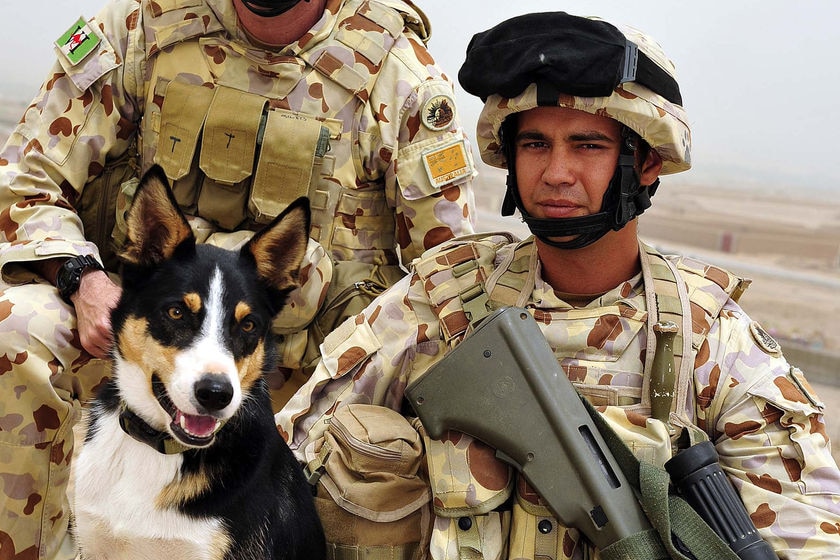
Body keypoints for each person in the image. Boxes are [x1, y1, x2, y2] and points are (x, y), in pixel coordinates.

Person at [278, 11, 840, 559]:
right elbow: (286, 453)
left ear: (645, 164)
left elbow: (807, 535)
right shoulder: (446, 295)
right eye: (535, 144)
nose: (556, 172)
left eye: (588, 145)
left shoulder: (710, 338)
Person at [0, 0, 476, 557]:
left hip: (318, 376)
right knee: (16, 331)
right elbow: (25, 180)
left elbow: (448, 280)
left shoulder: (400, 77)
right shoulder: (145, 27)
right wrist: (84, 280)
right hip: (146, 337)